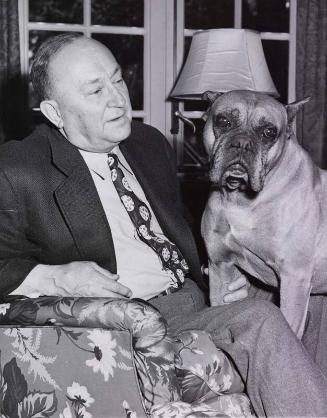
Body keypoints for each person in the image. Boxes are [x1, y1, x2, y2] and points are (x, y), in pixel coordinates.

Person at [0, 33, 326, 417]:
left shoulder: (148, 143)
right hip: (135, 317)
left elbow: (182, 233)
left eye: (117, 80)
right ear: (55, 112)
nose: (118, 99)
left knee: (317, 302)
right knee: (263, 319)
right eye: (95, 90)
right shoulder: (18, 168)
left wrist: (221, 269)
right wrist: (54, 278)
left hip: (197, 298)